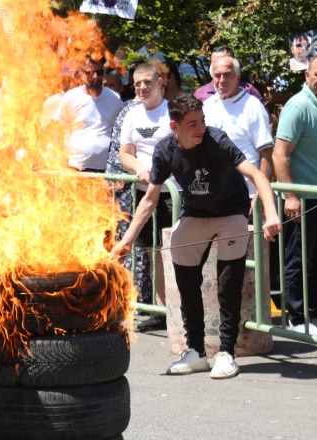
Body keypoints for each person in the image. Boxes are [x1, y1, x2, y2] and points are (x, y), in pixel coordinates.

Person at [110, 93, 281, 379]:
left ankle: (226, 352)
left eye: (202, 120)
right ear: (174, 126)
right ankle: (196, 352)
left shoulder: (218, 140)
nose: (200, 127)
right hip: (195, 215)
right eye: (192, 124)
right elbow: (149, 200)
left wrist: (271, 214)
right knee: (186, 279)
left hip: (231, 214)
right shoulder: (165, 150)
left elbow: (257, 175)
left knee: (228, 284)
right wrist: (126, 240)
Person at [272, 53, 317, 335]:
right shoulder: (298, 106)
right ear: (307, 75)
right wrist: (290, 196)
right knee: (298, 259)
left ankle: (313, 314)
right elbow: (280, 155)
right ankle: (298, 318)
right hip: (302, 199)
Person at [116, 61, 174, 331]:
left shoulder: (171, 110)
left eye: (147, 82)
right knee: (153, 253)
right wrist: (140, 167)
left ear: (160, 82)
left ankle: (180, 308)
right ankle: (162, 311)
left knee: (174, 251)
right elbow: (124, 153)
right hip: (144, 192)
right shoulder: (132, 114)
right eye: (137, 83)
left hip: (173, 192)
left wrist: (160, 172)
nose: (141, 88)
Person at [203, 56, 274, 197]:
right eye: (217, 76)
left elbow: (266, 155)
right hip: (213, 195)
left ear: (237, 76)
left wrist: (260, 196)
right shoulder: (207, 105)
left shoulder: (252, 106)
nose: (222, 80)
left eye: (227, 74)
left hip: (246, 195)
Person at [54, 56, 122, 171]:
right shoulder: (71, 97)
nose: (95, 76)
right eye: (90, 73)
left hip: (105, 169)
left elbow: (122, 129)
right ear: (81, 74)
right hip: (76, 167)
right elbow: (58, 129)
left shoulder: (114, 98)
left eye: (99, 72)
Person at [193, 46, 265, 103]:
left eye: (225, 60)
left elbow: (267, 120)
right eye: (215, 62)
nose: (220, 65)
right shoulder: (200, 94)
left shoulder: (249, 91)